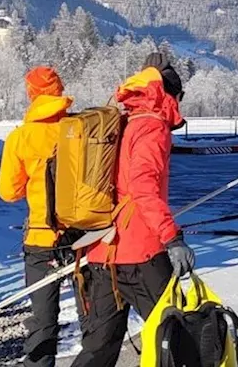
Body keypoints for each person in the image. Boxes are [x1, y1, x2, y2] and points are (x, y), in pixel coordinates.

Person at [73, 53, 195, 367]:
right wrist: (172, 238)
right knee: (176, 337)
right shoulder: (152, 128)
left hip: (103, 252)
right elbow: (143, 188)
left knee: (98, 350)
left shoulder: (121, 122)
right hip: (141, 253)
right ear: (171, 95)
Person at [0, 66, 75, 367]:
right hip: (85, 236)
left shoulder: (21, 137)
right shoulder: (79, 128)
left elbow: (8, 191)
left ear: (31, 94)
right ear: (60, 90)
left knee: (43, 321)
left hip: (42, 236)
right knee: (96, 320)